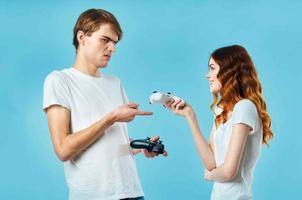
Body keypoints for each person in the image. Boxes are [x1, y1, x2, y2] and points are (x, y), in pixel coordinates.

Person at [43, 8, 167, 200]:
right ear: (82, 37)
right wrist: (111, 118)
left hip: (132, 192)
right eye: (105, 40)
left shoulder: (115, 83)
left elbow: (109, 145)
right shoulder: (60, 80)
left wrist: (141, 147)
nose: (112, 48)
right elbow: (63, 149)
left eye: (115, 43)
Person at [166, 45, 273, 200]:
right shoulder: (221, 109)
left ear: (229, 71)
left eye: (212, 68)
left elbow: (229, 172)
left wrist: (210, 176)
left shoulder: (244, 107)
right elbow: (211, 163)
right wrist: (190, 116)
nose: (207, 75)